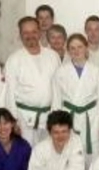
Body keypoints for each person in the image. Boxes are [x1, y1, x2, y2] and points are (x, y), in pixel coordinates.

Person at [52, 34, 99, 162]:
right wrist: (56, 124)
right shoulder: (61, 71)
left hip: (91, 118)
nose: (76, 51)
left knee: (93, 156)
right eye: (72, 48)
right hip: (68, 117)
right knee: (70, 157)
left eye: (79, 47)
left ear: (86, 48)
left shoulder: (96, 71)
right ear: (68, 51)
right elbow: (56, 99)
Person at [4, 16, 61, 146]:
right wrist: (13, 121)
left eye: (34, 31)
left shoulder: (53, 56)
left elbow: (58, 89)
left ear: (40, 32)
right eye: (26, 32)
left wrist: (57, 116)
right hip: (23, 118)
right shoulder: (14, 59)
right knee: (25, 157)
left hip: (48, 117)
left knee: (47, 156)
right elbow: (9, 92)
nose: (30, 36)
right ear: (20, 35)